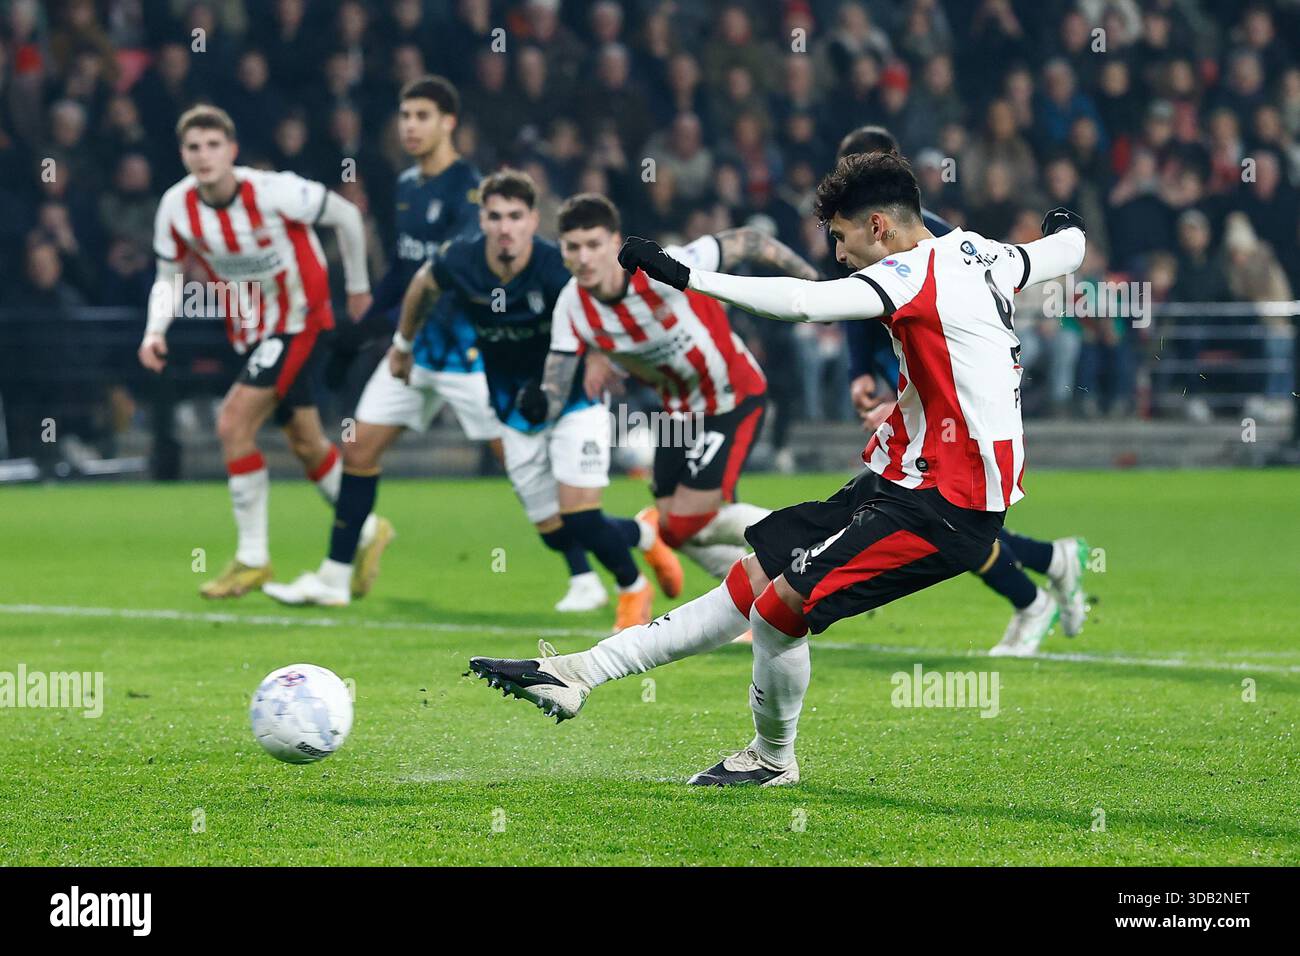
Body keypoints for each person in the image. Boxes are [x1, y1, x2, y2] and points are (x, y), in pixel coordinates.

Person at [468, 153, 1086, 785]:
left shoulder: (910, 272)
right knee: (753, 576)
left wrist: (687, 277)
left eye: (841, 238)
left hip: (946, 507)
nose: (840, 255)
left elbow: (798, 302)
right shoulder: (987, 253)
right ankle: (579, 674)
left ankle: (771, 760)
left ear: (878, 226)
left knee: (778, 612)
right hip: (902, 479)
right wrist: (1068, 223)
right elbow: (1064, 251)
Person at [269, 170, 680, 629]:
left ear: (531, 221)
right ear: (482, 220)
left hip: (573, 402)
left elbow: (603, 297)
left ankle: (630, 589)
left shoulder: (554, 264)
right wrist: (403, 345)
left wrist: (604, 355)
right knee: (553, 529)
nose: (505, 227)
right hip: (511, 409)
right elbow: (422, 285)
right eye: (496, 216)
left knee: (580, 515)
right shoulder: (460, 260)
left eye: (516, 217)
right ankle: (643, 532)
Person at [838, 125, 1088, 657]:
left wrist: (906, 406)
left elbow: (968, 337)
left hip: (945, 398)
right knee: (927, 512)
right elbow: (848, 306)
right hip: (907, 387)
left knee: (938, 512)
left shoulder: (930, 237)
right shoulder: (849, 229)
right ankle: (1051, 562)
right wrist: (861, 372)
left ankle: (1031, 599)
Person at [139, 104, 384, 599]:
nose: (204, 156)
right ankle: (367, 527)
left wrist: (358, 288)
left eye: (213, 145)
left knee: (232, 423)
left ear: (231, 151)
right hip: (253, 330)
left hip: (301, 321)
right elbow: (168, 276)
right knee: (306, 442)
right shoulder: (176, 206)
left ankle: (253, 557)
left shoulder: (275, 191)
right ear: (183, 154)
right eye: (193, 147)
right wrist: (154, 331)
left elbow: (346, 216)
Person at [520, 193, 820, 583]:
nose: (584, 257)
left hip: (731, 396)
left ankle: (808, 539)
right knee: (672, 528)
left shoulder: (660, 266)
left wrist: (815, 287)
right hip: (676, 412)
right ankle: (753, 593)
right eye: (573, 247)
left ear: (615, 242)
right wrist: (538, 404)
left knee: (685, 521)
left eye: (594, 245)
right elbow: (555, 388)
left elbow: (750, 241)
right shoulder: (571, 307)